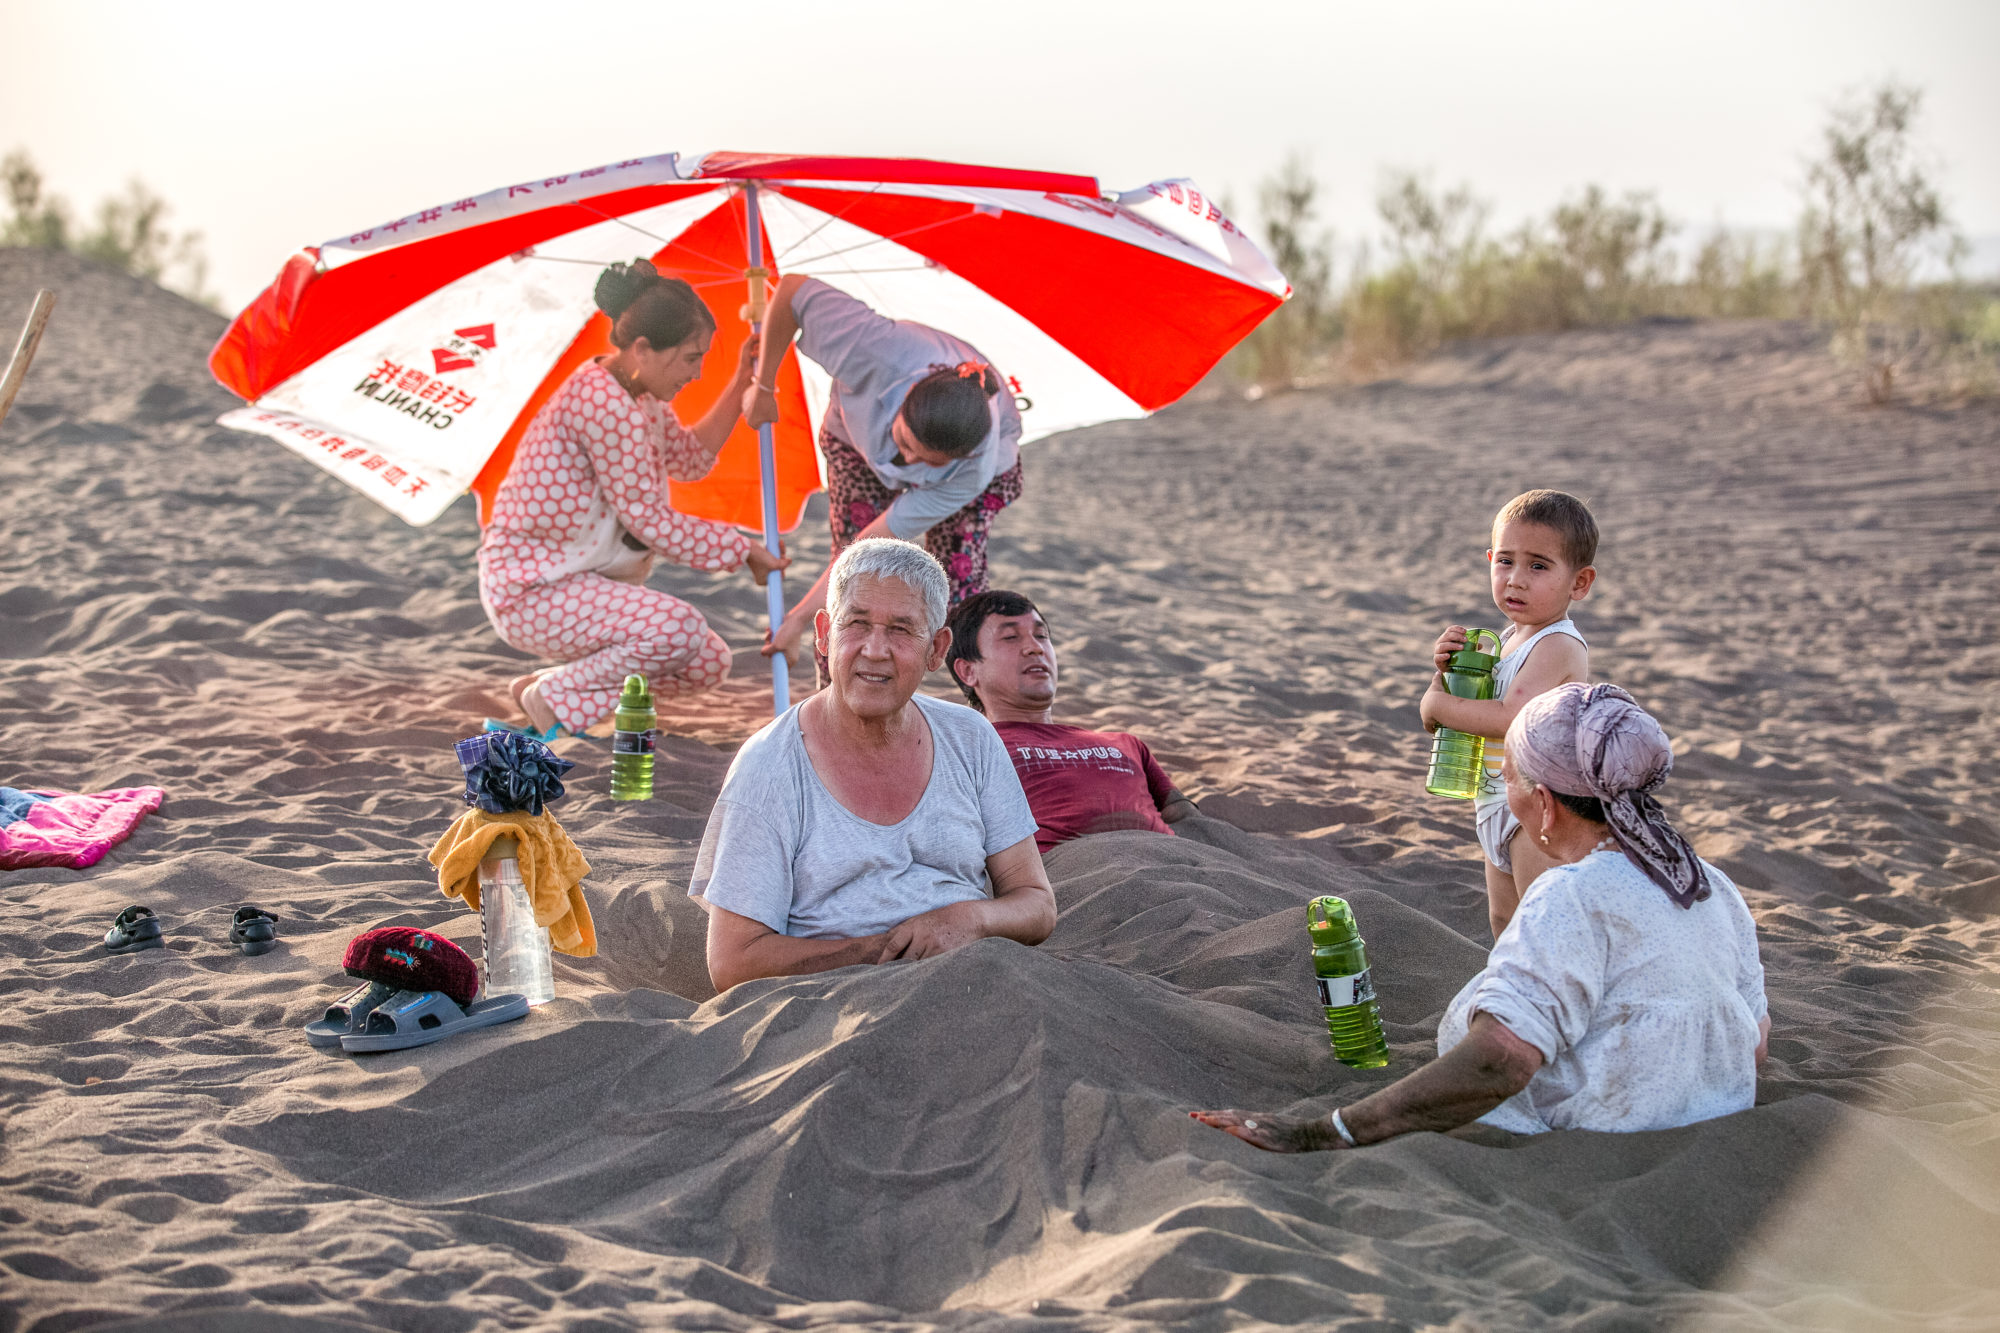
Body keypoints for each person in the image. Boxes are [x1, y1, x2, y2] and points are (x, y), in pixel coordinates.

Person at [1194, 683, 1769, 1151]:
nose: (1504, 788)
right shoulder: (1709, 884)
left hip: (1596, 1140)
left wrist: (1326, 1130)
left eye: (1510, 776)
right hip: (1710, 1126)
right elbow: (1754, 1046)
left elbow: (1501, 1061)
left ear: (1542, 802)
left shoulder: (1572, 893)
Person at [688, 539, 1056, 992]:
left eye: (902, 630)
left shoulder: (971, 737)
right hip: (832, 1008)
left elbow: (1037, 904)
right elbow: (733, 962)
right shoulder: (769, 764)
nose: (875, 650)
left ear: (937, 649)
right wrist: (890, 950)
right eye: (857, 624)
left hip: (982, 982)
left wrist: (970, 918)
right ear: (824, 635)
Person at [479, 259, 789, 739]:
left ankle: (547, 690)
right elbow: (648, 520)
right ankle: (551, 698)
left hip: (578, 583)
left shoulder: (637, 399)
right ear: (642, 349)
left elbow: (688, 460)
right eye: (690, 357)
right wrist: (742, 549)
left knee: (706, 661)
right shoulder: (605, 404)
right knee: (679, 628)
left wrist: (741, 383)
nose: (697, 372)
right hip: (531, 587)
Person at [742, 274, 1024, 671]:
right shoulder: (875, 349)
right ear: (904, 402)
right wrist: (763, 386)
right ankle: (837, 691)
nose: (907, 466)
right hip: (854, 436)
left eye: (928, 462)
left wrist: (797, 616)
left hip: (966, 481)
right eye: (905, 443)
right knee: (857, 579)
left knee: (960, 585)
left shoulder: (973, 471)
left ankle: (983, 703)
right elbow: (791, 291)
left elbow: (876, 539)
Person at [1422, 489, 1597, 938]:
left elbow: (1507, 717)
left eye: (1538, 566)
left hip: (1539, 811)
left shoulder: (1557, 644)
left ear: (1579, 583)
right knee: (1504, 921)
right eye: (1505, 561)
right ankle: (1515, 1004)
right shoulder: (1506, 640)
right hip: (1494, 802)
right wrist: (1447, 675)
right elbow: (1454, 719)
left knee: (1542, 926)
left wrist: (1437, 703)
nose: (1516, 579)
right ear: (1489, 560)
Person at [944, 589, 1198, 852]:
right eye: (1010, 637)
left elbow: (1193, 822)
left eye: (1042, 636)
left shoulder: (1127, 744)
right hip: (1072, 878)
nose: (1035, 648)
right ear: (968, 671)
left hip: (1185, 868)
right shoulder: (968, 751)